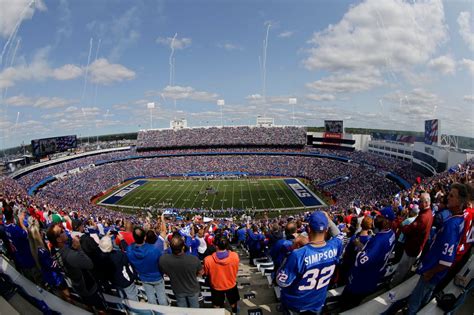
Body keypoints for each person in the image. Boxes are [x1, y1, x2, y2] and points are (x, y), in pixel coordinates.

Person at [406, 183, 468, 315]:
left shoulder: (452, 224)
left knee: (414, 304)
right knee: (424, 300)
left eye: (452, 195)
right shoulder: (458, 217)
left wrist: (431, 272)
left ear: (460, 201)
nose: (447, 197)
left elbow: (447, 260)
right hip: (435, 271)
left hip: (432, 271)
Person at [276, 211, 343, 314]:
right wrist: (327, 220)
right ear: (326, 229)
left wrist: (291, 251)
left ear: (308, 229)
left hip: (296, 304)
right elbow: (339, 235)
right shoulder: (335, 246)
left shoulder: (298, 255)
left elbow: (281, 282)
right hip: (318, 302)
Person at [340, 206, 396, 310]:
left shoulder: (379, 240)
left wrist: (358, 245)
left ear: (386, 221)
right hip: (374, 275)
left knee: (347, 305)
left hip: (361, 280)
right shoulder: (391, 233)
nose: (376, 218)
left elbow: (362, 261)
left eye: (380, 217)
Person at [46, 222, 106, 311]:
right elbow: (89, 264)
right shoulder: (70, 255)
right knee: (101, 309)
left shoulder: (54, 251)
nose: (64, 231)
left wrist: (73, 248)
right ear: (58, 239)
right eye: (62, 231)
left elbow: (69, 262)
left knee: (88, 304)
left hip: (77, 284)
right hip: (88, 286)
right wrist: (78, 248)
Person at [391, 193, 433, 286]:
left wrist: (401, 225)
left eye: (420, 201)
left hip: (412, 248)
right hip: (417, 246)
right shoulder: (428, 213)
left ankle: (394, 284)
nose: (418, 203)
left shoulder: (423, 217)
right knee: (407, 267)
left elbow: (408, 230)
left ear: (426, 203)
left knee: (402, 267)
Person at [124, 226, 168, 305]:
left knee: (151, 298)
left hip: (144, 277)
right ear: (145, 237)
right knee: (162, 298)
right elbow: (162, 263)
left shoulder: (129, 250)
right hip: (156, 277)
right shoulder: (154, 250)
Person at [159, 235, 203, 308]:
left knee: (182, 310)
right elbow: (201, 272)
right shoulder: (194, 259)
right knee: (194, 310)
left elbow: (164, 271)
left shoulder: (163, 259)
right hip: (192, 289)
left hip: (178, 289)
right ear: (183, 247)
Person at [203, 235, 240, 314]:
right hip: (231, 284)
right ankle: (234, 312)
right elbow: (236, 269)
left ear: (216, 246)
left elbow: (206, 273)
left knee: (217, 305)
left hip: (216, 286)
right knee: (233, 302)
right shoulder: (235, 256)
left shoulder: (208, 260)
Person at [98, 235, 139, 301]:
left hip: (115, 281)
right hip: (126, 280)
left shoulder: (100, 259)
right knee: (132, 298)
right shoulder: (119, 254)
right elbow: (128, 262)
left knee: (122, 297)